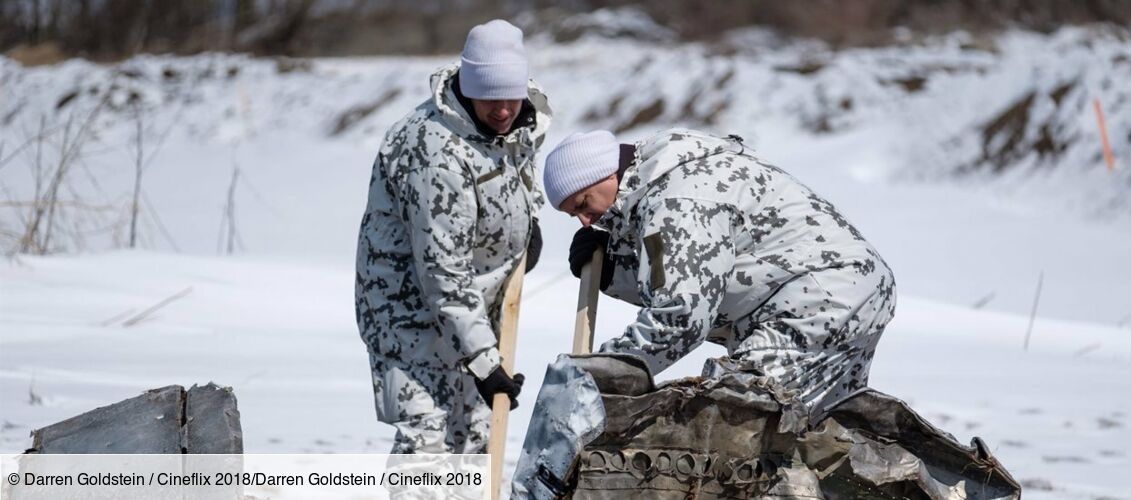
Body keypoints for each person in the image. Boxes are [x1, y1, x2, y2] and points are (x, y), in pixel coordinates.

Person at [542, 128, 895, 414]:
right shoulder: (659, 188)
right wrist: (615, 272)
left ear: (605, 175)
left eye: (584, 204)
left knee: (730, 420)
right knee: (806, 440)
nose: (586, 221)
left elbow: (680, 316)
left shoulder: (678, 200)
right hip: (830, 295)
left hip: (820, 299)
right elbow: (686, 276)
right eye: (574, 214)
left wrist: (599, 374)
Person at [355, 19, 551, 453]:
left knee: (476, 438)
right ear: (467, 85)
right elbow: (442, 270)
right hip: (411, 317)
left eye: (510, 98)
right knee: (428, 439)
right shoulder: (434, 149)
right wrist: (485, 361)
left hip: (472, 313)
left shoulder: (518, 121)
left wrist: (525, 226)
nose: (502, 111)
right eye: (489, 98)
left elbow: (511, 177)